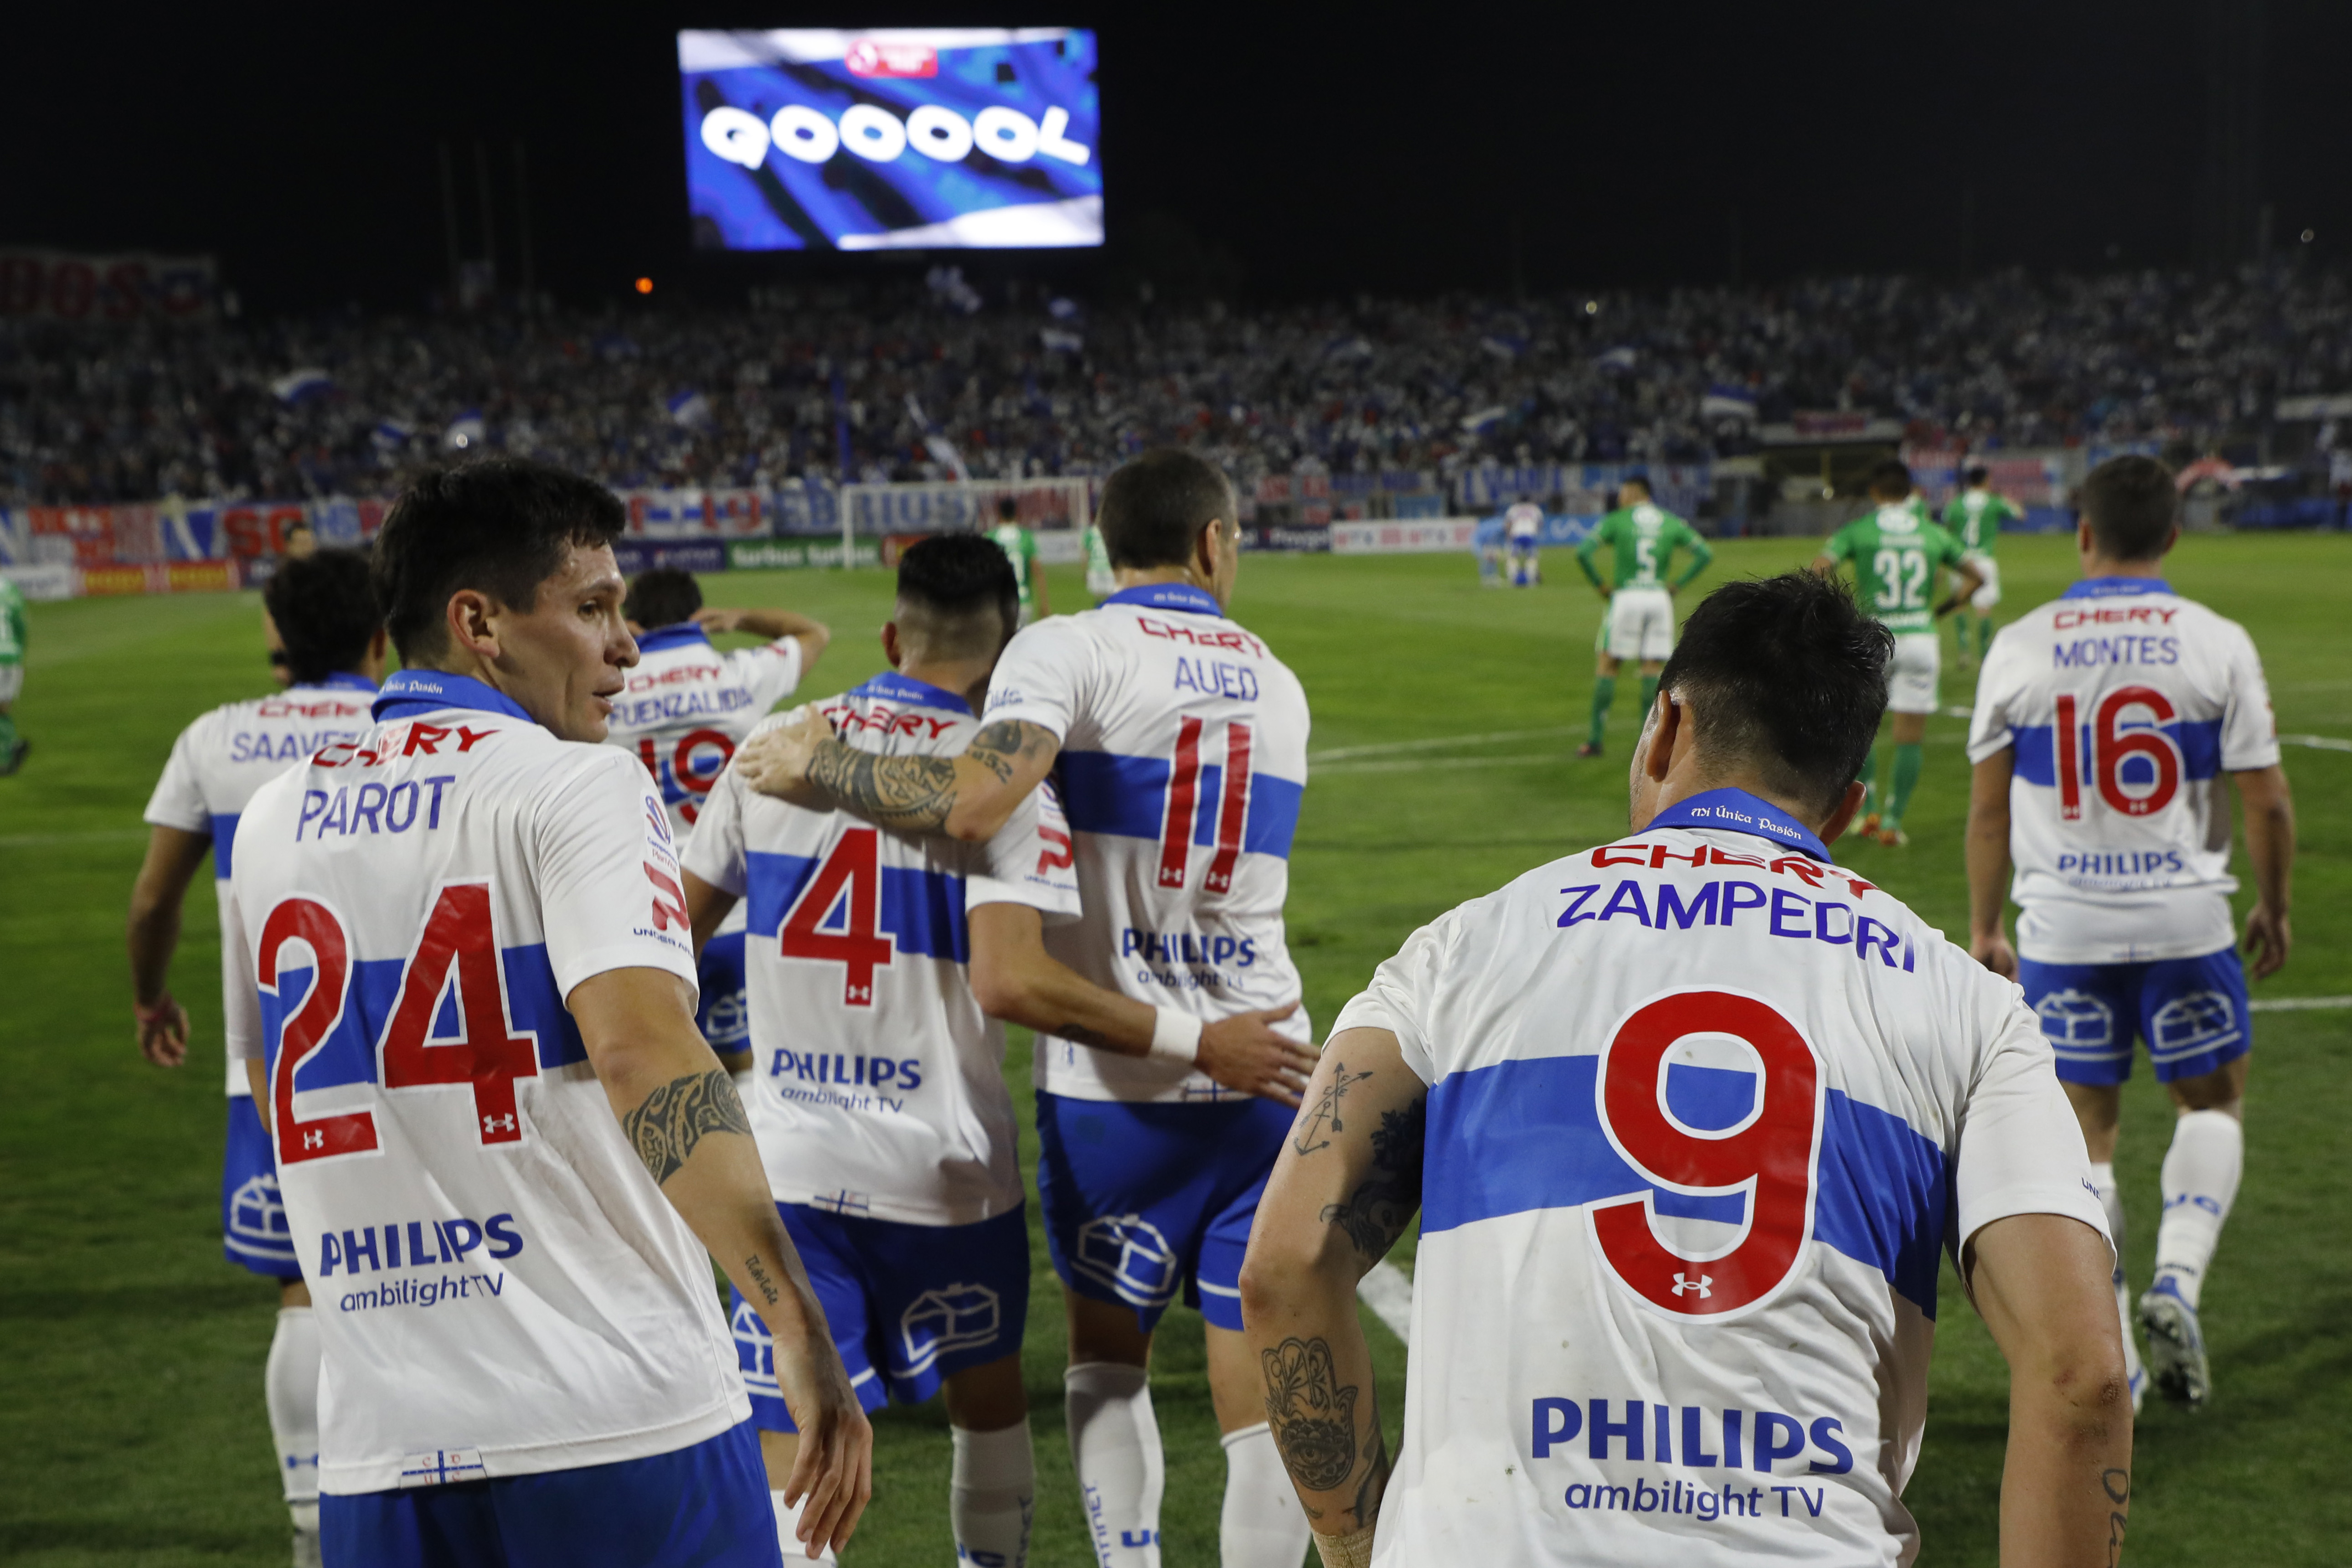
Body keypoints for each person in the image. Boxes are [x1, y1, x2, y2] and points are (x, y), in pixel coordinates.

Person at [1241, 570, 2130, 1568]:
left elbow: (1285, 1264)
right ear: (1842, 810)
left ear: (1665, 726)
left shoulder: (1460, 952)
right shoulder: (1969, 1003)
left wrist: (1359, 1542)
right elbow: (2084, 1375)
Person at [219, 458, 871, 1567]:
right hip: (616, 1416)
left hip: (383, 1451)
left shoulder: (275, 818)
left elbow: (283, 1093)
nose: (623, 646)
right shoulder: (580, 784)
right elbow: (645, 1055)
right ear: (479, 621)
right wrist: (797, 1325)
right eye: (590, 608)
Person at [738, 447, 1322, 1568]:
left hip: (1117, 1084)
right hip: (1269, 1061)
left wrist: (823, 765)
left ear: (1105, 547)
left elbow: (975, 800)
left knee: (1109, 1359)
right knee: (1257, 1389)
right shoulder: (1278, 679)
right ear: (1214, 543)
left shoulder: (1067, 645)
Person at [680, 535, 1081, 1565]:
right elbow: (1023, 972)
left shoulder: (773, 744)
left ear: (894, 633)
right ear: (1005, 654)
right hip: (946, 1166)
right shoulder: (1004, 784)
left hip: (791, 1160)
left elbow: (670, 934)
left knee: (794, 1426)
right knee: (986, 1397)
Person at [1966, 454, 2294, 1413]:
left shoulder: (2021, 645)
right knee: (2210, 1104)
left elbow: (1988, 812)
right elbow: (2267, 801)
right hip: (2188, 919)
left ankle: (2122, 1349)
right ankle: (2178, 1283)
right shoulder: (2216, 640)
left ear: (2081, 533)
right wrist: (2272, 905)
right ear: (2173, 537)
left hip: (2064, 927)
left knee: (2086, 1140)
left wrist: (1988, 925)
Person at [129, 549, 387, 1567]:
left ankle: (315, 1527)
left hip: (281, 1064)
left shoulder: (216, 737)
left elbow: (154, 901)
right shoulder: (420, 723)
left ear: (278, 635)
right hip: (427, 1051)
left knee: (306, 1289)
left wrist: (151, 997)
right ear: (382, 633)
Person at [612, 566, 829, 1065]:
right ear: (697, 616)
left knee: (670, 1077)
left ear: (636, 624)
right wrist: (737, 619)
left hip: (651, 914)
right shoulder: (742, 674)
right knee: (755, 1078)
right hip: (745, 908)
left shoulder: (607, 690)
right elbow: (814, 634)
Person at [1811, 460, 1981, 846]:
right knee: (1910, 736)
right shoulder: (1931, 532)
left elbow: (1819, 570)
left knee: (1861, 730)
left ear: (1875, 493)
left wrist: (1839, 615)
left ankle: (1865, 811)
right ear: (1910, 494)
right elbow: (1977, 577)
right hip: (1921, 638)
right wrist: (1945, 608)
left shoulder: (1860, 530)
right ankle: (1892, 820)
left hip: (1873, 638)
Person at [1573, 475, 1714, 758]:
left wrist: (1601, 584)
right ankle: (1649, 743)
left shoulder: (1620, 520)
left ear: (1635, 492)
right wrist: (1678, 584)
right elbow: (1704, 553)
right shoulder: (1669, 521)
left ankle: (1596, 740)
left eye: (1623, 491)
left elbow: (1583, 552)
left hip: (1627, 597)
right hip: (1659, 600)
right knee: (1652, 669)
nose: (1620, 497)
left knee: (1609, 664)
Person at [1941, 465, 2023, 666]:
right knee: (1983, 608)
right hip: (1984, 560)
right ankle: (1985, 654)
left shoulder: (1956, 504)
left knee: (1959, 604)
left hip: (1961, 561)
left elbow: (1947, 526)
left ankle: (1964, 650)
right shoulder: (1993, 502)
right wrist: (2005, 498)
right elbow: (2020, 515)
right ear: (1986, 481)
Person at [990, 495, 1052, 624]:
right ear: (1016, 513)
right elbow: (1038, 571)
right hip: (1023, 603)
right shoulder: (1026, 537)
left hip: (999, 603)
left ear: (999, 513)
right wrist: (1044, 602)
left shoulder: (991, 538)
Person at [0, 572, 27, 774]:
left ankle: (7, 752)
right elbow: (21, 627)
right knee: (3, 708)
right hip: (12, 657)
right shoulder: (10, 588)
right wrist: (19, 653)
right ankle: (11, 749)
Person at [1505, 499, 1544, 586]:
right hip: (1530, 535)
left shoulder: (1514, 509)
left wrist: (1508, 536)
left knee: (1513, 557)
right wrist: (1537, 532)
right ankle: (1532, 580)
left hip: (1517, 535)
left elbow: (1508, 524)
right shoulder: (1535, 508)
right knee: (1532, 558)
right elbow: (1541, 523)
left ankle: (1513, 579)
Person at [1083, 516, 1117, 600]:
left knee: (1098, 596)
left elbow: (1086, 553)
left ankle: (1099, 610)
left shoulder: (1090, 533)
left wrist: (1085, 570)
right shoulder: (1111, 531)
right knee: (1111, 595)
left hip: (1096, 568)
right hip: (1108, 567)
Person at [1472, 511, 1507, 588]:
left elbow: (1500, 542)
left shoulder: (1501, 528)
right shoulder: (1497, 529)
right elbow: (1490, 540)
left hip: (1485, 542)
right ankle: (1486, 579)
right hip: (1479, 542)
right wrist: (1488, 552)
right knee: (1486, 558)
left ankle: (1493, 577)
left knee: (1492, 559)